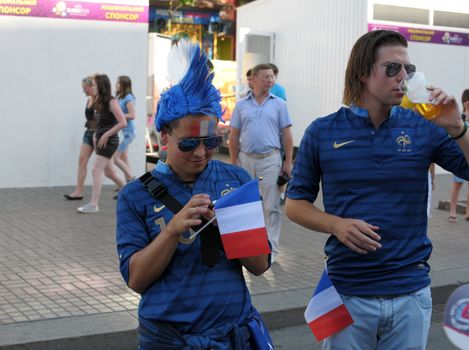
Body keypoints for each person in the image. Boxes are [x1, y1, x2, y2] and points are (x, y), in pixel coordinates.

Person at [285, 30, 469, 349]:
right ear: (362, 73)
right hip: (346, 292)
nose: (403, 77)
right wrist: (335, 224)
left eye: (408, 70)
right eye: (392, 68)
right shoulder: (322, 131)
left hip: (410, 293)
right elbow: (294, 204)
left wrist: (458, 128)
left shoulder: (425, 126)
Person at [116, 39, 272, 349]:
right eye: (189, 143)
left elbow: (259, 264)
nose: (201, 152)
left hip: (232, 334)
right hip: (169, 339)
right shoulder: (134, 195)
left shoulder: (236, 179)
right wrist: (172, 231)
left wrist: (229, 226)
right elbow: (136, 280)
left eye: (212, 142)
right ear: (164, 136)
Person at [229, 63, 293, 263]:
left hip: (270, 160)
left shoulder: (279, 104)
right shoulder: (241, 104)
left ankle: (271, 250)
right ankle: (247, 248)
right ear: (253, 79)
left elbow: (287, 135)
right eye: (266, 76)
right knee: (246, 204)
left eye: (272, 77)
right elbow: (234, 135)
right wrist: (233, 161)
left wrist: (288, 162)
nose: (270, 80)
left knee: (271, 206)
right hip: (246, 159)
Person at [65, 76, 122, 201]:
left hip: (101, 136)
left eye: (85, 88)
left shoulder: (103, 101)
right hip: (89, 134)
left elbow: (116, 120)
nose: (84, 91)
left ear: (93, 87)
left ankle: (125, 188)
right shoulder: (90, 100)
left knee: (109, 171)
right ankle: (79, 192)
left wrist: (106, 134)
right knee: (82, 161)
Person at [77, 74, 126, 213]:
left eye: (94, 85)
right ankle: (131, 193)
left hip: (108, 141)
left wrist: (105, 135)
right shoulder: (98, 101)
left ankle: (94, 204)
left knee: (96, 170)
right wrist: (96, 137)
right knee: (110, 173)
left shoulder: (112, 102)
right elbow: (97, 123)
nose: (92, 88)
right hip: (100, 140)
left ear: (101, 86)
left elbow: (123, 122)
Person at [449, 89, 469, 222]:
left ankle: (468, 211)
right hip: (460, 153)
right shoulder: (460, 115)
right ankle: (452, 210)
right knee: (457, 184)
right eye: (467, 100)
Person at [114, 75, 136, 183]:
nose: (116, 85)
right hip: (125, 132)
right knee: (124, 157)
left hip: (129, 133)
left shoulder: (128, 98)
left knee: (116, 159)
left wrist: (119, 114)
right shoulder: (121, 98)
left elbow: (132, 115)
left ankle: (131, 179)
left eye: (118, 83)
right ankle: (129, 185)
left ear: (123, 85)